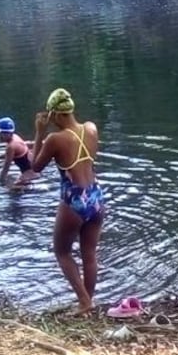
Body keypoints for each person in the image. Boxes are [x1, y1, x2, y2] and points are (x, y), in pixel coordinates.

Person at [31, 88, 104, 315]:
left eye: (51, 115)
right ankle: (88, 301)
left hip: (74, 198)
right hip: (95, 195)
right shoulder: (91, 128)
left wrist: (39, 134)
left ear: (56, 113)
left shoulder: (55, 139)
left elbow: (35, 167)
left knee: (62, 252)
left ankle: (84, 302)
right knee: (89, 253)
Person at [0, 116, 38, 187]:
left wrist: (0, 183)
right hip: (34, 170)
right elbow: (10, 155)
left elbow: (5, 168)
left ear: (7, 133)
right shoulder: (15, 137)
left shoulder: (11, 146)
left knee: (13, 191)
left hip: (29, 174)